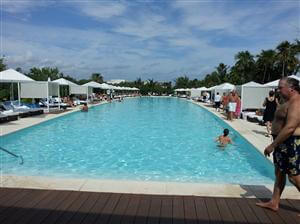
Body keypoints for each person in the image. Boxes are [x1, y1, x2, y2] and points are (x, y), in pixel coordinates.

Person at [256, 77, 300, 212]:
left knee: (293, 176)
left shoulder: (296, 102)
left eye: (281, 87)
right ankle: (274, 202)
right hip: (283, 142)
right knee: (279, 172)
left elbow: (290, 128)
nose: (278, 90)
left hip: (290, 142)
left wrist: (272, 145)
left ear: (291, 88)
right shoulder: (287, 101)